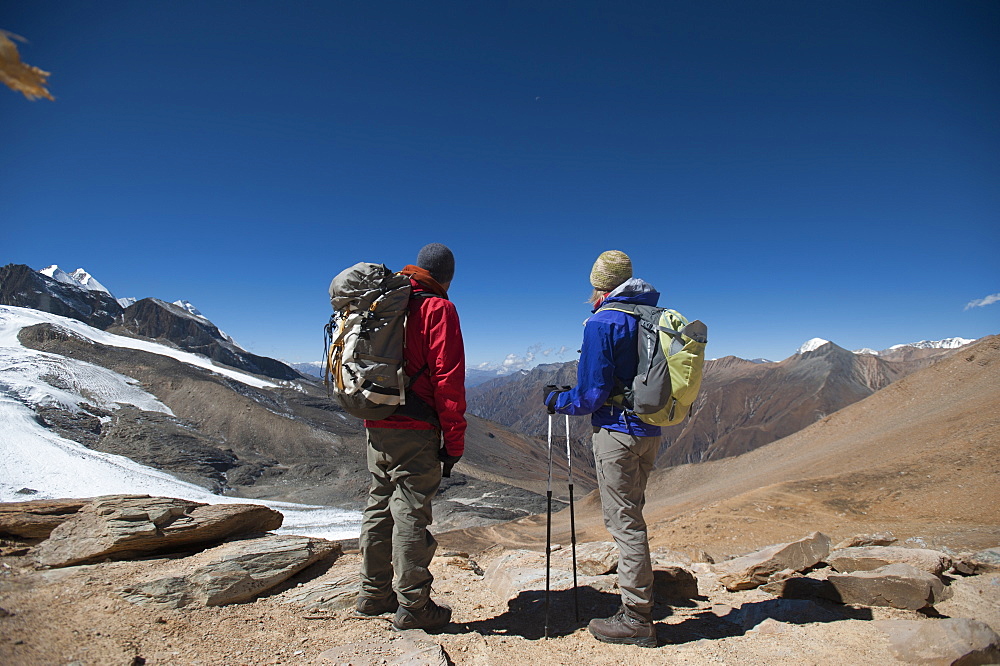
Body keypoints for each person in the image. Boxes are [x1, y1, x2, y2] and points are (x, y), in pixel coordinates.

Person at [543, 250, 661, 648]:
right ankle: (639, 597)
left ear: (600, 284)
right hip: (649, 431)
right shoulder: (652, 318)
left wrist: (558, 402)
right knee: (633, 515)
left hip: (617, 433)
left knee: (625, 523)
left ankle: (636, 618)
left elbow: (592, 394)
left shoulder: (602, 321)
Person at [356, 243, 467, 633]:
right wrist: (454, 443)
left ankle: (373, 593)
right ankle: (415, 604)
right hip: (416, 429)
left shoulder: (382, 302)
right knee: (410, 512)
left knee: (379, 501)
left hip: (376, 420)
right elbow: (447, 381)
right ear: (447, 277)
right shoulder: (439, 309)